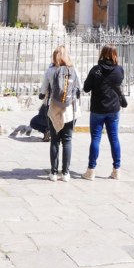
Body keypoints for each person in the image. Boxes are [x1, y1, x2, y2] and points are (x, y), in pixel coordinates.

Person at [82, 45, 125, 181]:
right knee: (114, 138)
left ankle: (91, 170)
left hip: (98, 109)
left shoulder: (96, 70)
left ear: (102, 54)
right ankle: (116, 170)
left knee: (95, 139)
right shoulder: (119, 70)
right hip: (113, 109)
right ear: (115, 55)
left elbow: (86, 88)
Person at [39, 45, 82, 182]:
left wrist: (43, 95)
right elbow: (80, 88)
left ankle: (53, 173)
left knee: (55, 140)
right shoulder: (73, 70)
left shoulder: (50, 71)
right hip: (70, 109)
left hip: (54, 109)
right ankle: (66, 173)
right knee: (67, 140)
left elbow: (42, 91)